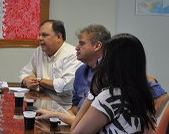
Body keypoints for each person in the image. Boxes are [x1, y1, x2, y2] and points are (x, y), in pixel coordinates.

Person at [36, 25, 168, 125]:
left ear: (97, 46)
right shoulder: (81, 71)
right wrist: (58, 118)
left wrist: (146, 123)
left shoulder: (114, 69)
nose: (76, 47)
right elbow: (75, 107)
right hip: (82, 128)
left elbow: (162, 96)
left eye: (81, 43)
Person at [70, 33, 156, 134]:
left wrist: (92, 93)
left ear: (112, 62)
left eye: (104, 57)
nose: (100, 62)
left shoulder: (111, 96)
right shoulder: (143, 92)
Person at [19, 19, 82, 109]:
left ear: (59, 37)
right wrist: (26, 80)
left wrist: (39, 80)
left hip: (64, 108)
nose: (39, 38)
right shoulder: (39, 51)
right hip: (41, 103)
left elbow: (66, 85)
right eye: (39, 35)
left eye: (44, 35)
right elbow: (24, 72)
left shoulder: (72, 54)